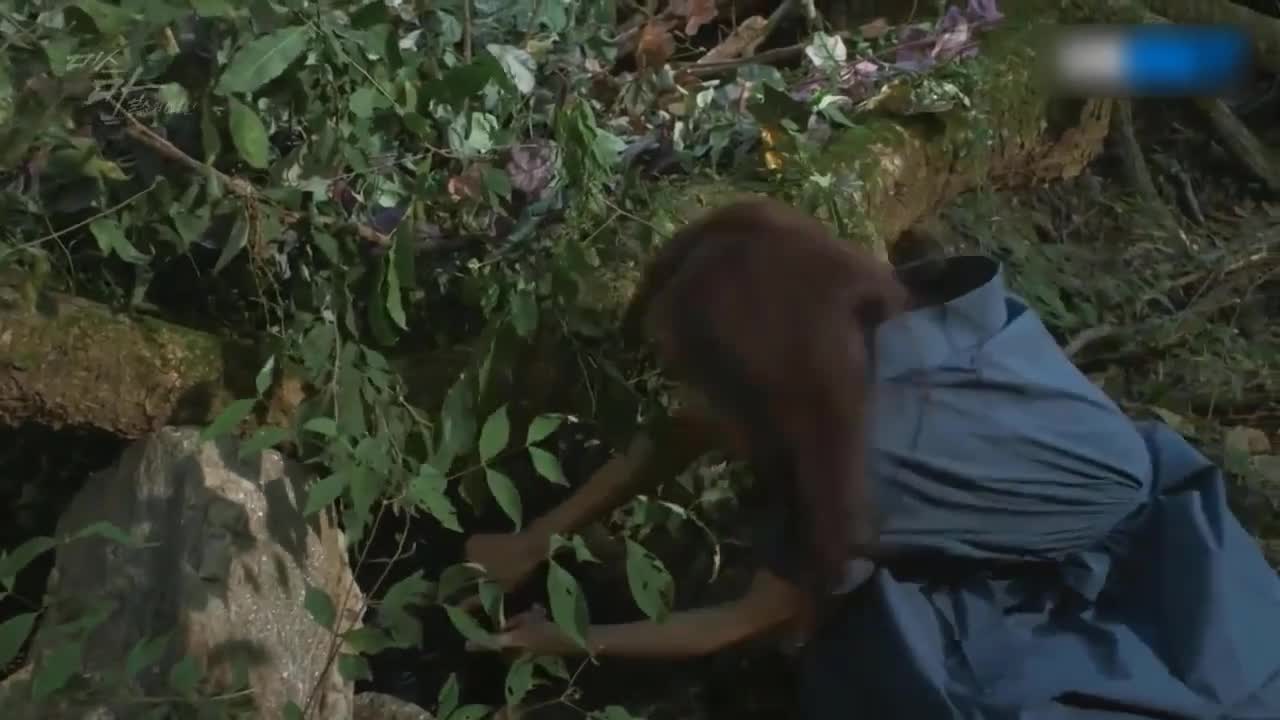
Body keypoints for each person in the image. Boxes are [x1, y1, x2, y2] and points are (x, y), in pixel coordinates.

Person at [464, 198, 1280, 719]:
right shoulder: (856, 322)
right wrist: (538, 537)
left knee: (873, 666)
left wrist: (559, 639)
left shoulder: (863, 466)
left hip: (1147, 586)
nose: (683, 391)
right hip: (1063, 502)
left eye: (693, 370)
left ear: (758, 373)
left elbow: (735, 622)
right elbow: (685, 427)